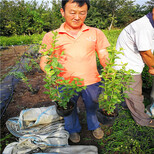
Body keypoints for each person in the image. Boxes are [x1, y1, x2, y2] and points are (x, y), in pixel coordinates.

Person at [39, 0, 110, 143]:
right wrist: (51, 76)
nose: (77, 16)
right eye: (72, 12)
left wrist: (108, 69)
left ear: (86, 13)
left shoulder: (95, 33)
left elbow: (103, 54)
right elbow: (45, 60)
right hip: (64, 82)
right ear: (62, 12)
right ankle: (73, 130)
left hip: (91, 81)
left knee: (92, 105)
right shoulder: (51, 36)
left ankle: (94, 125)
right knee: (68, 108)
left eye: (82, 13)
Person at [114, 8, 154, 127]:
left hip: (132, 61)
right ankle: (144, 121)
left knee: (130, 91)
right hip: (128, 65)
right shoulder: (143, 27)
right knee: (134, 94)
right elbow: (146, 53)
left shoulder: (149, 25)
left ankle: (127, 104)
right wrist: (152, 66)